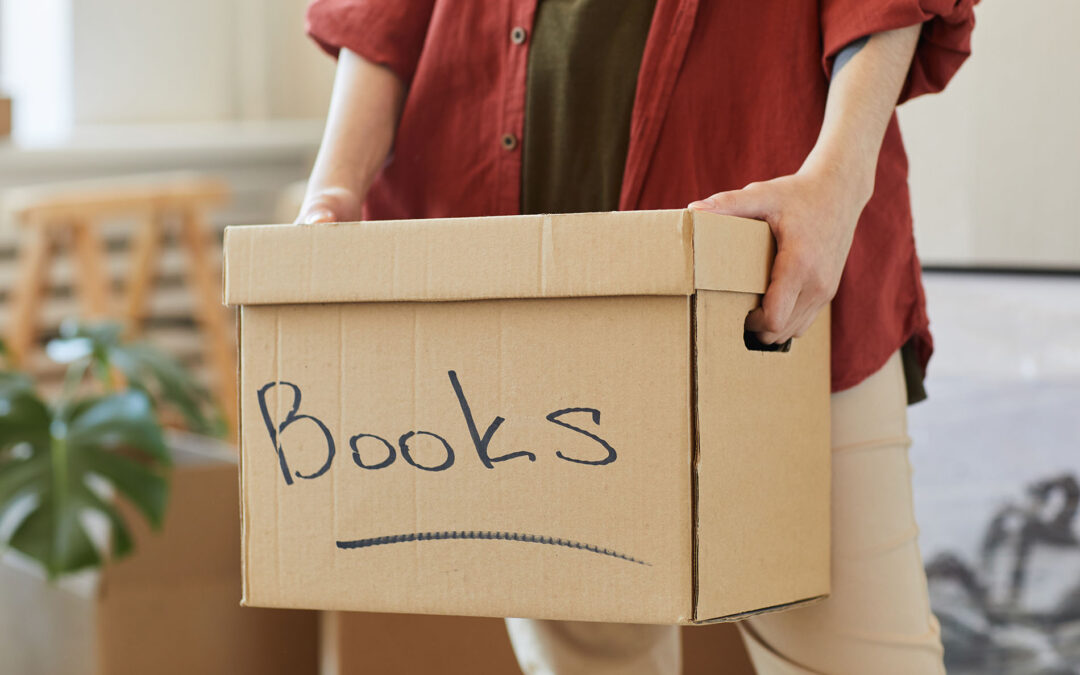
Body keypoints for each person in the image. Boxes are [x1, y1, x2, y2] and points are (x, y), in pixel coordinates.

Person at [297, 1, 976, 672]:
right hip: (517, 266)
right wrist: (333, 187)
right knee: (585, 659)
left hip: (775, 255)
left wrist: (839, 180)